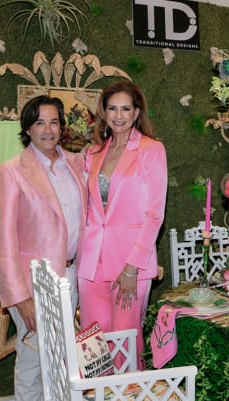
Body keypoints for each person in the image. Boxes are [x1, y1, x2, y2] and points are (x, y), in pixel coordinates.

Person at [0, 95, 87, 401]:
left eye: (54, 122)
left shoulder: (77, 164)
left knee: (62, 360)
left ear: (62, 127)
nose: (48, 129)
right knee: (33, 361)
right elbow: (3, 243)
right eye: (40, 123)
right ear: (28, 129)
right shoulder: (10, 172)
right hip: (34, 285)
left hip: (72, 277)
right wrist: (21, 299)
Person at [77, 81, 167, 369]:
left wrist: (132, 268)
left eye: (125, 109)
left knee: (125, 347)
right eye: (112, 108)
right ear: (103, 113)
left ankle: (128, 392)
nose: (118, 116)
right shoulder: (94, 153)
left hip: (129, 266)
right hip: (92, 263)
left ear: (136, 112)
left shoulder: (151, 150)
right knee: (92, 347)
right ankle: (96, 392)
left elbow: (154, 215)